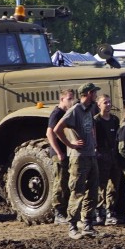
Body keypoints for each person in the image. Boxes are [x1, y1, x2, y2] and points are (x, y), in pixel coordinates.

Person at [53, 83, 101, 239]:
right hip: (78, 157)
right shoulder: (75, 110)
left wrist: (94, 143)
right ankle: (72, 226)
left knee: (93, 191)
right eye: (94, 93)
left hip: (90, 155)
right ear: (88, 93)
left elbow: (91, 127)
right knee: (77, 191)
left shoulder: (90, 109)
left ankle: (87, 224)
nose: (96, 96)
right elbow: (57, 129)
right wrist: (70, 144)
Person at [47, 88, 76, 225]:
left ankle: (65, 211)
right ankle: (58, 213)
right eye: (69, 99)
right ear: (62, 99)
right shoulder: (57, 113)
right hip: (59, 154)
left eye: (72, 98)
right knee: (60, 182)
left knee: (67, 182)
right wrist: (58, 152)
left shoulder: (67, 113)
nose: (72, 101)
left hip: (68, 152)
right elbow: (49, 133)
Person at [93, 93, 120, 226]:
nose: (108, 105)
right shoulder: (96, 121)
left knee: (113, 186)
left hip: (113, 155)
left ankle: (110, 211)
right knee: (100, 186)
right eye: (105, 102)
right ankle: (99, 212)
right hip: (101, 156)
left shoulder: (115, 120)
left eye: (109, 102)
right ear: (99, 105)